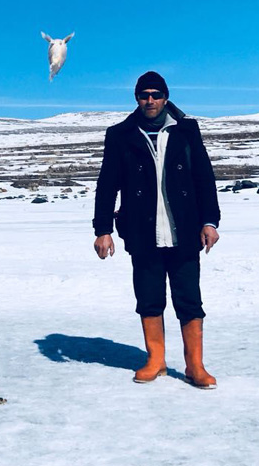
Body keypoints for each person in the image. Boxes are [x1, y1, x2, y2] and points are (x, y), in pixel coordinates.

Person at [92, 71, 220, 389]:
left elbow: (204, 177)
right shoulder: (121, 134)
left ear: (165, 97)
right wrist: (102, 228)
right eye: (143, 94)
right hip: (142, 231)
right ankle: (156, 361)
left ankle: (195, 366)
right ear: (136, 98)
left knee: (189, 299)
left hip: (184, 231)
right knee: (149, 299)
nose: (149, 100)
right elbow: (107, 184)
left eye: (155, 94)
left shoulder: (187, 130)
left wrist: (210, 221)